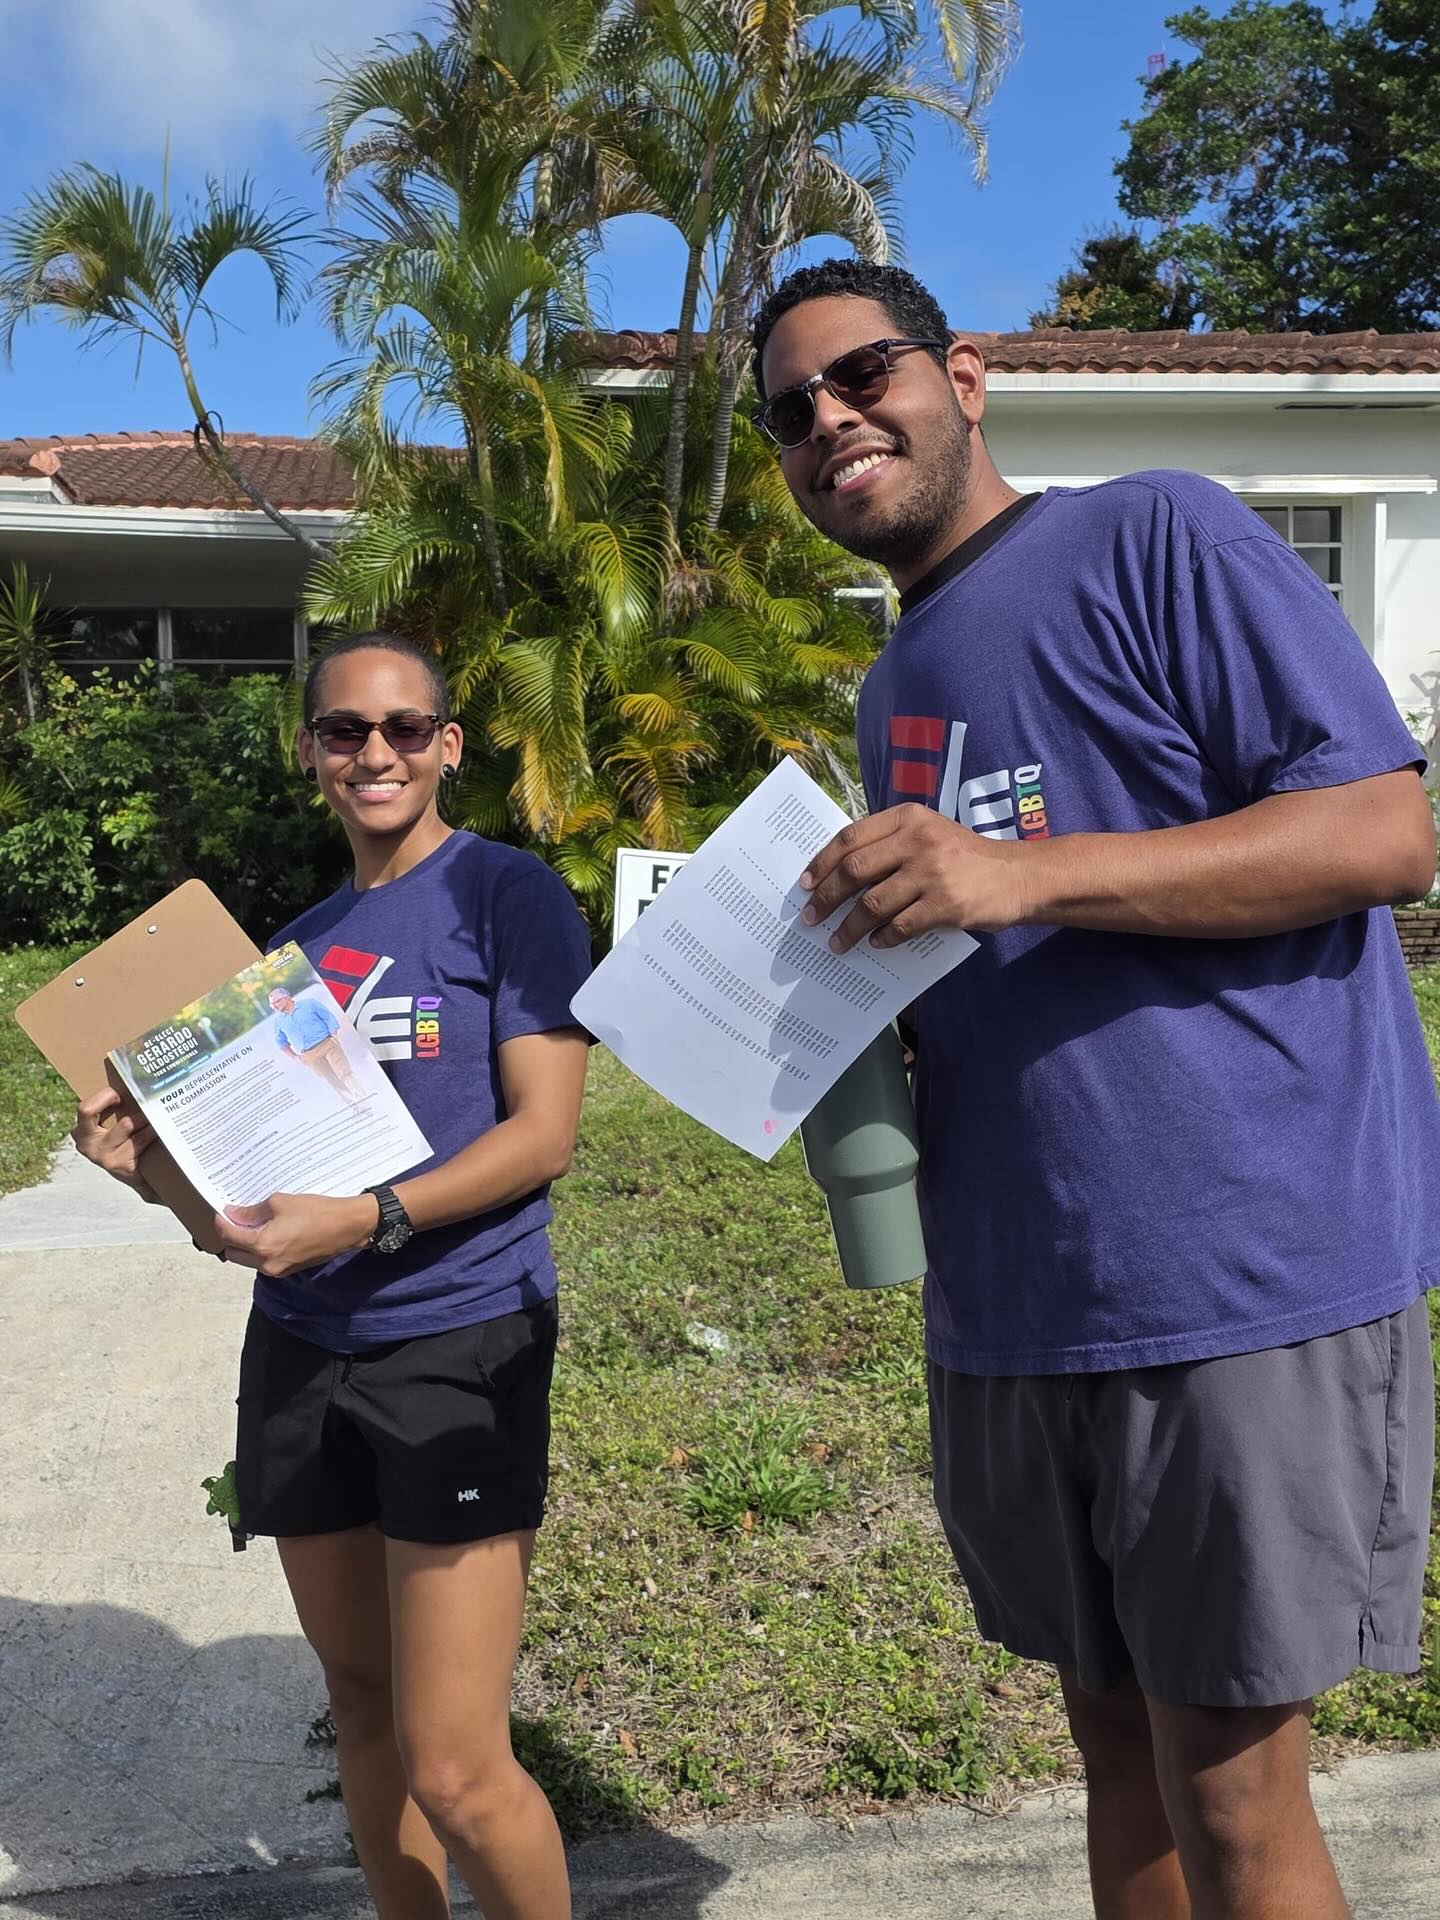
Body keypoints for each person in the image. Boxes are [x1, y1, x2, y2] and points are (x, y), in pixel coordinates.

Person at [752, 258, 1439, 1920]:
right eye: (790, 414)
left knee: (1230, 1785)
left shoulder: (1155, 534)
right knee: (1112, 1744)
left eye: (864, 374)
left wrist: (1017, 878)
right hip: (1020, 1289)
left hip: (1228, 1266)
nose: (831, 420)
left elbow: (1385, 834)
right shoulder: (894, 675)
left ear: (962, 376)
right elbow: (973, 934)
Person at [72, 631, 591, 1920]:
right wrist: (145, 1173)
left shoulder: (507, 894)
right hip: (301, 1348)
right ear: (309, 749)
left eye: (405, 728)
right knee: (359, 1706)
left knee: (460, 1766)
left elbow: (546, 1135)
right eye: (347, 730)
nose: (376, 752)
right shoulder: (282, 959)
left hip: (458, 1342)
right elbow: (245, 1223)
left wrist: (365, 1219)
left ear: (447, 748)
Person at [269, 984, 366, 1103]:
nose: (274, 1006)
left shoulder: (309, 1004)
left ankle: (364, 1099)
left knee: (344, 1073)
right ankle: (356, 1105)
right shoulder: (278, 1022)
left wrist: (334, 1036)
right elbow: (281, 1044)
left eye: (276, 1002)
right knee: (333, 1081)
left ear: (287, 998)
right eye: (272, 1004)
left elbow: (328, 1018)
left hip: (328, 1043)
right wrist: (295, 1057)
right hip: (309, 1055)